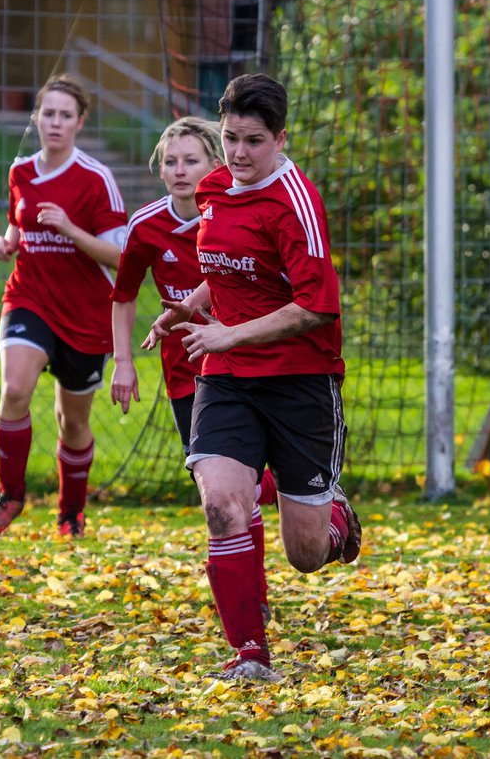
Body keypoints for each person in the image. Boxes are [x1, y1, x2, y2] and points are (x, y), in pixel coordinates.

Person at [146, 74, 361, 682]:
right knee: (221, 505)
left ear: (281, 139)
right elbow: (229, 268)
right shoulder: (216, 188)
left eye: (254, 142)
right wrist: (190, 304)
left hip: (300, 380)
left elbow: (316, 307)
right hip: (229, 373)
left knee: (306, 554)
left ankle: (334, 518)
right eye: (231, 138)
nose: (239, 154)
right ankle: (249, 653)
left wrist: (229, 333)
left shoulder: (296, 203)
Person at [108, 116, 278, 620]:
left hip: (246, 364)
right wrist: (123, 363)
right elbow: (122, 297)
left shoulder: (232, 213)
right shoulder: (146, 225)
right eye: (171, 161)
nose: (180, 170)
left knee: (235, 494)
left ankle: (255, 598)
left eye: (191, 160)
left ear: (215, 166)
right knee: (221, 494)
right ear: (159, 170)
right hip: (187, 374)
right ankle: (275, 495)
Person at [0, 74, 127, 538]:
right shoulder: (20, 171)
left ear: (80, 122)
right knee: (15, 390)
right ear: (36, 117)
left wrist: (70, 230)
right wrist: (4, 245)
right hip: (29, 297)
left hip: (86, 315)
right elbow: (16, 228)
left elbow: (120, 258)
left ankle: (71, 511)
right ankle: (11, 495)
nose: (56, 123)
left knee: (72, 422)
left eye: (66, 115)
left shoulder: (97, 179)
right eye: (48, 113)